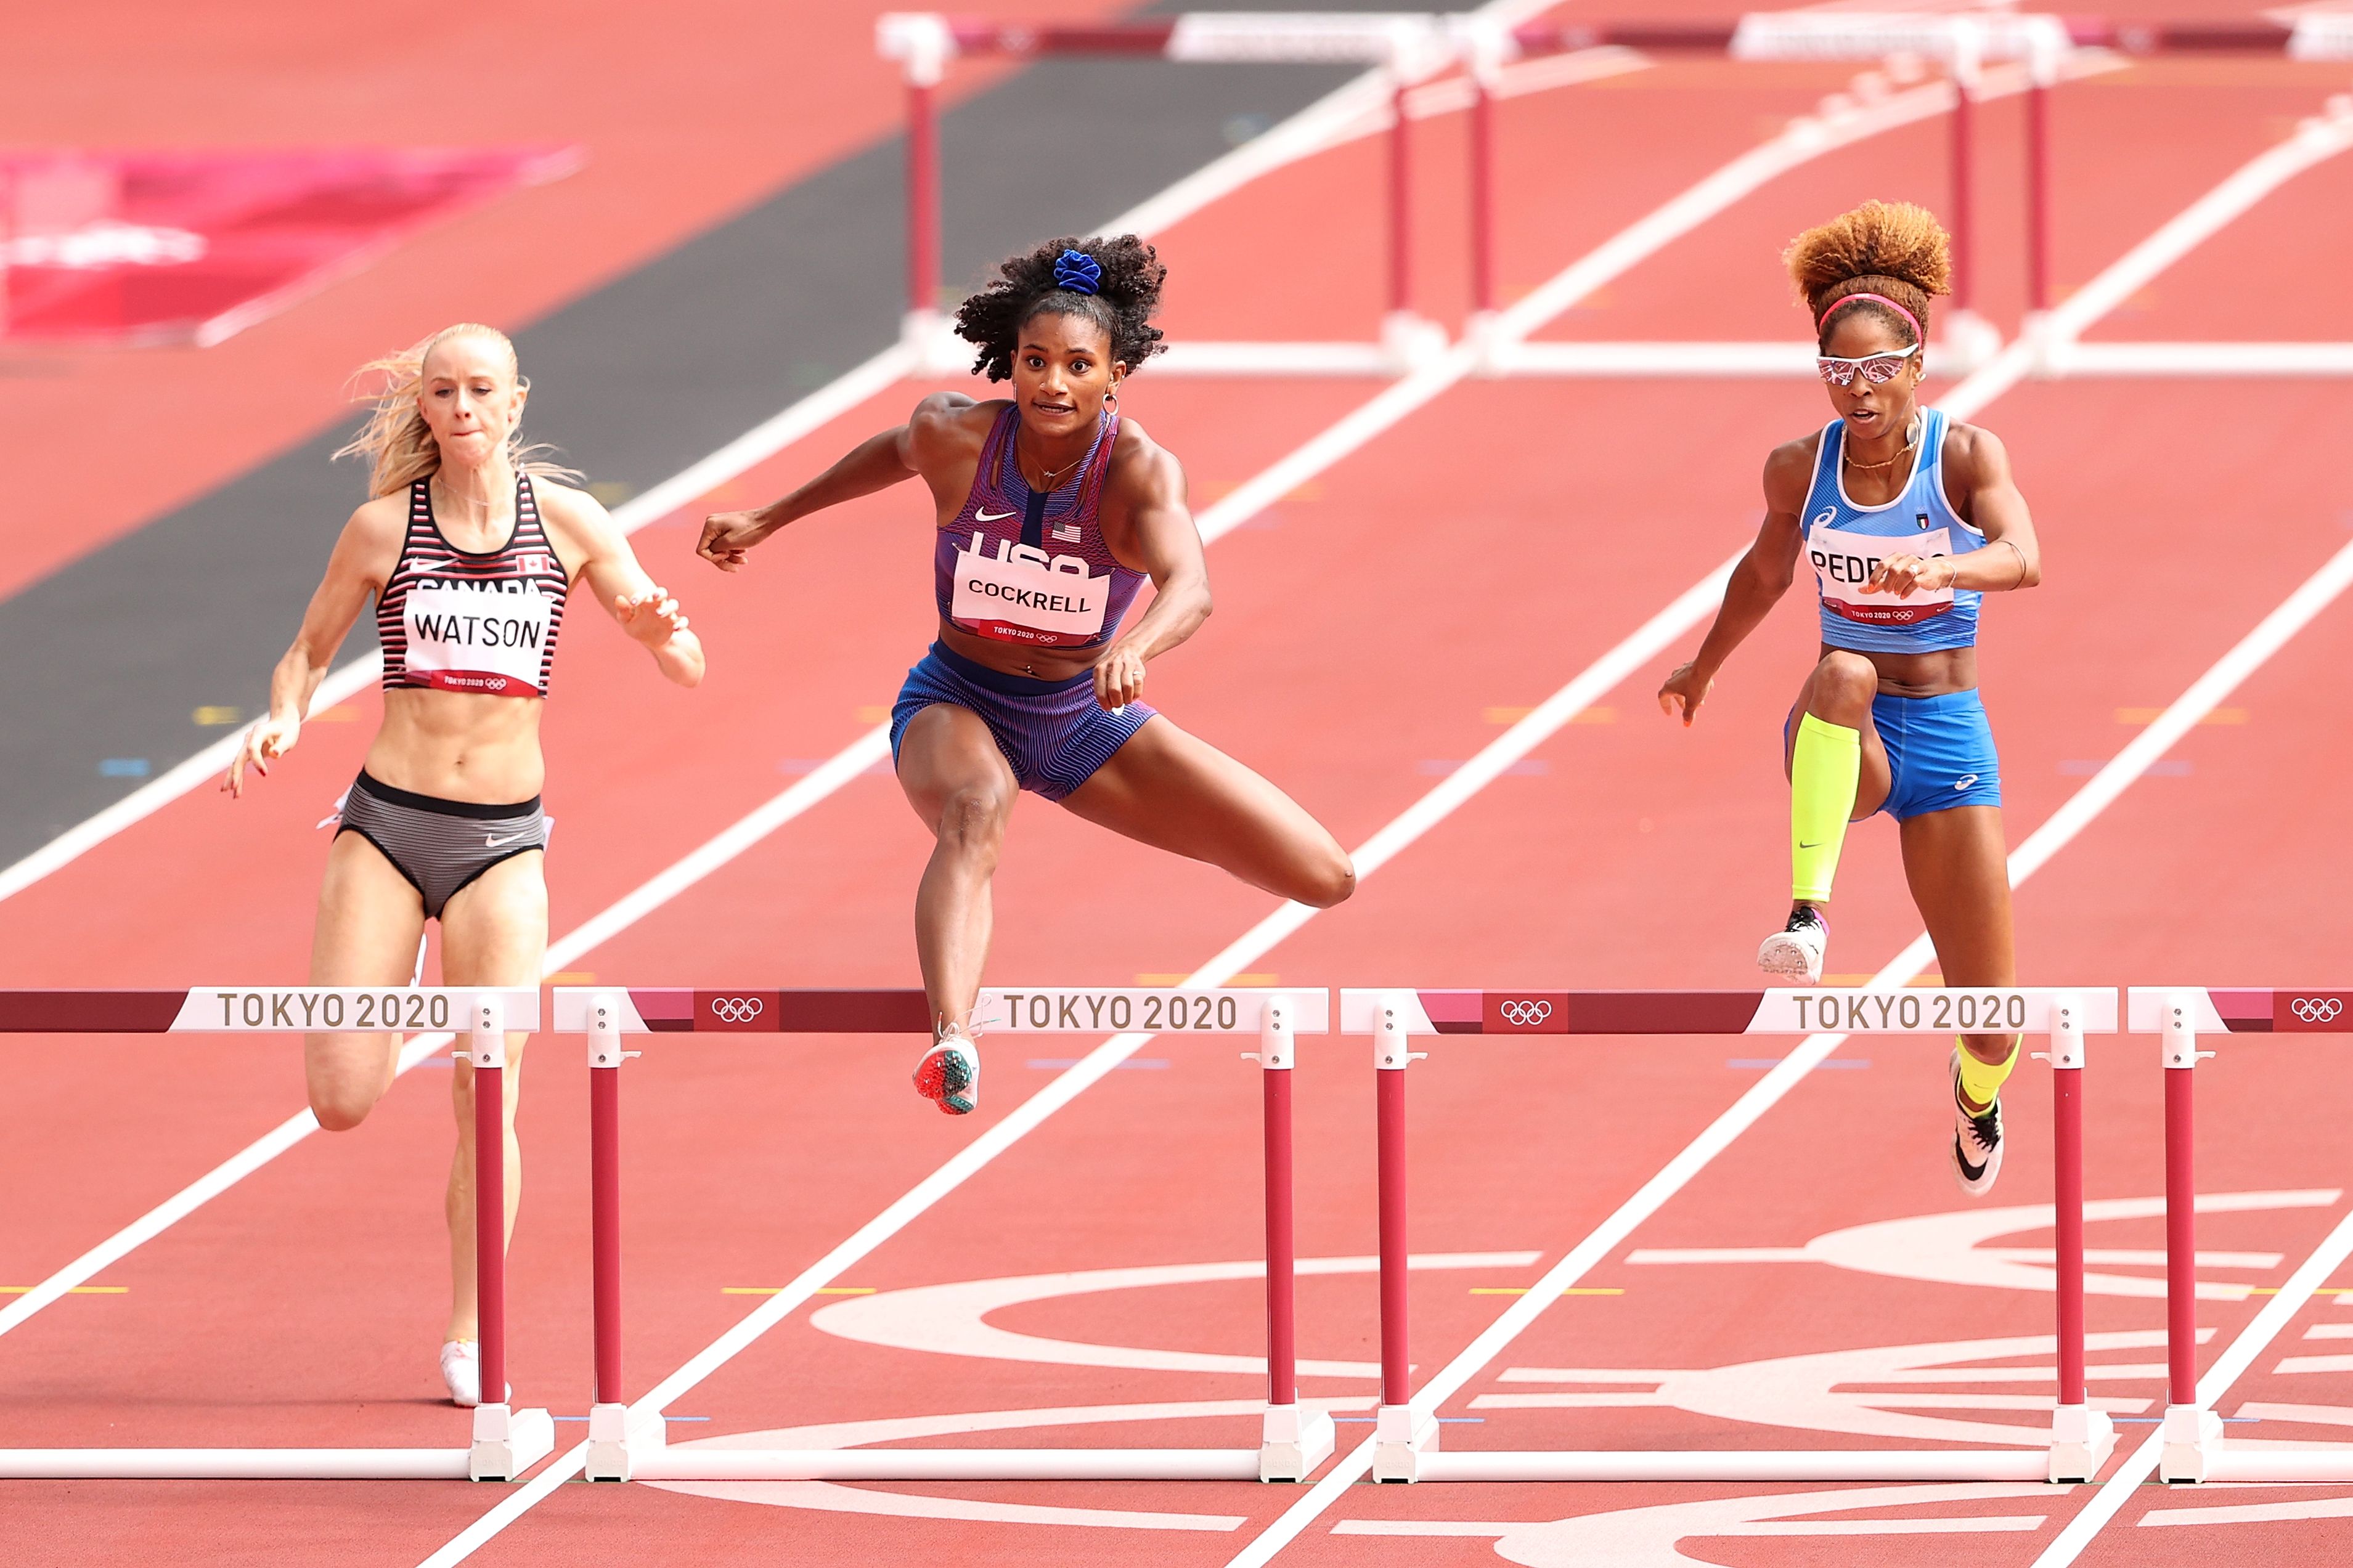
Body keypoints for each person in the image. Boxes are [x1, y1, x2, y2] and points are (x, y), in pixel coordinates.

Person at [697, 235, 1353, 1115]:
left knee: (1323, 876)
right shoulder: (955, 436)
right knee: (975, 812)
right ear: (1008, 359)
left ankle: (962, 1017)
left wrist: (1137, 647)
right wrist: (767, 516)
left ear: (1113, 374)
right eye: (1034, 361)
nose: (1050, 382)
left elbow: (1190, 586)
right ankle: (952, 1040)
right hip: (958, 700)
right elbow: (886, 453)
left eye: (1075, 365)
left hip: (1082, 719)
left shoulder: (1136, 472)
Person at [224, 323, 704, 1402]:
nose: (464, 408)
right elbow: (305, 652)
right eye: (444, 392)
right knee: (341, 1098)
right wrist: (282, 720)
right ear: (428, 410)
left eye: (482, 389)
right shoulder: (381, 527)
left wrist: (662, 629)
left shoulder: (570, 525)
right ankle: (398, 1026)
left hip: (501, 846)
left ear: (517, 400)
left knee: (492, 1093)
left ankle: (470, 1329)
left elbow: (682, 659)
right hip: (387, 826)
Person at [1655, 202, 2042, 1195]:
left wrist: (1948, 571)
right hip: (1847, 729)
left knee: (1992, 1010)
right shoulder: (1801, 466)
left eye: (1876, 370)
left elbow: (2022, 556)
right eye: (1838, 372)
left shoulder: (1965, 457)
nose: (1857, 391)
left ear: (1915, 364)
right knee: (1844, 669)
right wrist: (1703, 666)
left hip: (1948, 729)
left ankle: (1974, 1087)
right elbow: (1762, 573)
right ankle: (1806, 917)